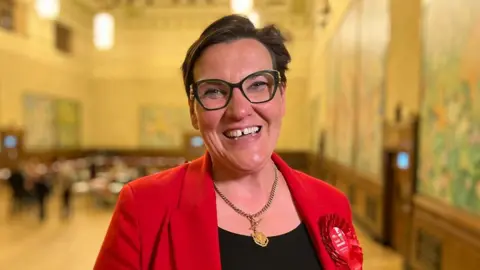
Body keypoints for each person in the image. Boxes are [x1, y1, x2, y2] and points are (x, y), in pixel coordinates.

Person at [94, 14, 363, 270]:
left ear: (281, 96)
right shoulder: (144, 206)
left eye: (257, 85)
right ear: (193, 111)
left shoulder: (332, 205)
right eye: (214, 91)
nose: (239, 110)